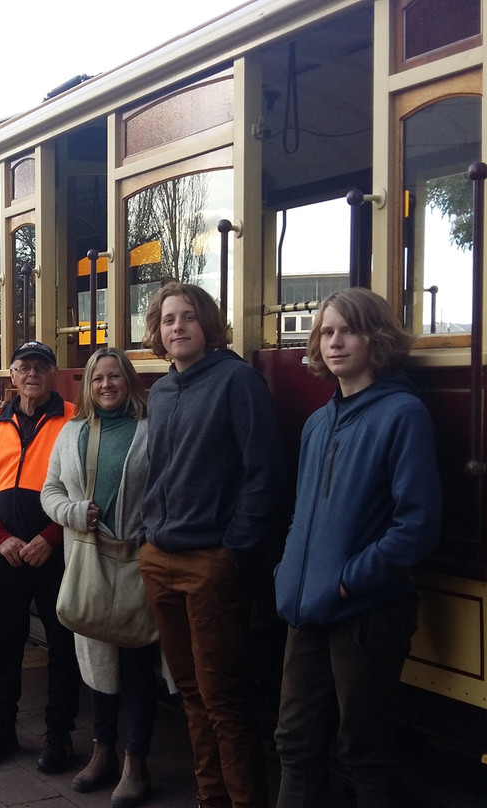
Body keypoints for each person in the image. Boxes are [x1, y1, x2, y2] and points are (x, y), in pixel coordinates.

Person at [272, 288, 441, 808]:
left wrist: (350, 577)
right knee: (294, 741)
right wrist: (289, 573)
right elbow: (302, 511)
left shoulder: (401, 413)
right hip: (307, 606)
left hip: (364, 612)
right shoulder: (318, 422)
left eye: (348, 330)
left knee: (364, 749)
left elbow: (417, 524)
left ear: (377, 339)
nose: (335, 341)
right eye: (326, 332)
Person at [138, 282, 284, 808]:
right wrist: (147, 536)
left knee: (223, 697)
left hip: (209, 562)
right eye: (168, 319)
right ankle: (210, 797)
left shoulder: (236, 381)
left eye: (188, 317)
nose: (178, 328)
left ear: (208, 325)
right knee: (189, 693)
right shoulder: (160, 391)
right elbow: (159, 473)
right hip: (160, 559)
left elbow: (263, 473)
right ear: (157, 330)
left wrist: (231, 551)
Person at [41, 346, 158, 807]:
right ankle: (102, 750)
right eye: (97, 379)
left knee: (136, 663)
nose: (106, 385)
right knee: (95, 660)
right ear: (87, 388)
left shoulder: (150, 430)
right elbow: (49, 490)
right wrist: (73, 511)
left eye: (114, 376)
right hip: (87, 558)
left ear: (129, 380)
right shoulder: (71, 433)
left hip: (136, 561)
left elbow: (167, 488)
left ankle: (137, 761)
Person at [0, 341, 82, 772]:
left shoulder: (74, 418)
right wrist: (0, 538)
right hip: (4, 554)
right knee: (2, 646)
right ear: (11, 376)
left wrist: (49, 537)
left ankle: (59, 736)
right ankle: (2, 729)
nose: (31, 374)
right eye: (23, 367)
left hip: (56, 553)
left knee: (61, 646)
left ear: (53, 375)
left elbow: (83, 489)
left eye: (41, 367)